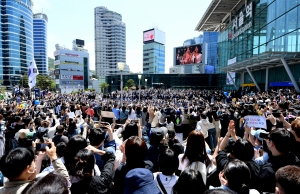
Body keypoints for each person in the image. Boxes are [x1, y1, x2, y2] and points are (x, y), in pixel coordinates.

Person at [0, 141, 69, 194]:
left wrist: (39, 159)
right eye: (33, 161)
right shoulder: (37, 190)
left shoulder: (2, 190)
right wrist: (54, 157)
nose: (34, 165)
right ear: (27, 169)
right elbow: (65, 182)